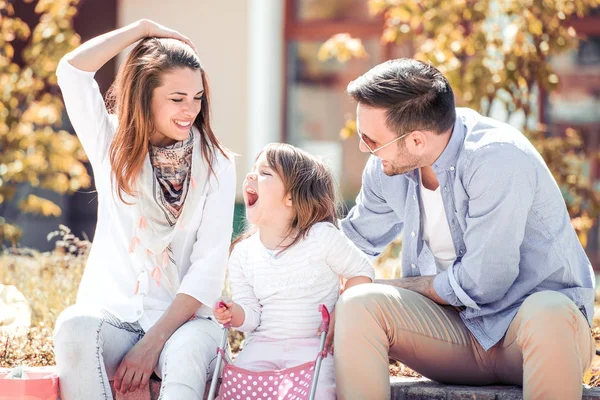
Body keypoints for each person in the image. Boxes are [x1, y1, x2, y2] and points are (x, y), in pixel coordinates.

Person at [333, 58, 595, 400]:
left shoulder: (497, 159)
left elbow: (485, 282)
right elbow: (350, 244)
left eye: (372, 141)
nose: (363, 148)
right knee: (358, 303)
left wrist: (405, 284)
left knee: (548, 311)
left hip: (532, 339)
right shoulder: (387, 167)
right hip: (458, 338)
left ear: (416, 141)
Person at [52, 19, 236, 400]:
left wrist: (151, 345)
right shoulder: (111, 145)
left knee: (184, 353)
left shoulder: (217, 163)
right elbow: (71, 70)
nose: (190, 110)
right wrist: (140, 30)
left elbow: (207, 270)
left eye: (197, 97)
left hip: (183, 323)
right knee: (74, 325)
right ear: (145, 95)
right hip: (116, 315)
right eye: (177, 98)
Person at [213, 143, 374, 399]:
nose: (251, 175)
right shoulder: (243, 253)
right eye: (253, 170)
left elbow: (362, 272)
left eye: (265, 173)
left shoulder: (320, 237)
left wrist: (340, 311)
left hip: (314, 344)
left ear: (290, 197)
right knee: (237, 386)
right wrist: (234, 313)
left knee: (320, 389)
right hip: (262, 345)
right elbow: (251, 316)